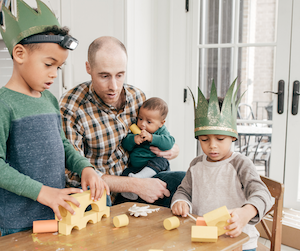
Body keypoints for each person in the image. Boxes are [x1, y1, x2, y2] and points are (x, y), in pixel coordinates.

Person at [0, 0, 108, 236]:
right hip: (16, 222)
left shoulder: (49, 100)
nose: (53, 74)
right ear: (19, 53)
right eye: (49, 64)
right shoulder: (3, 104)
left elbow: (62, 144)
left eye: (58, 67)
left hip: (56, 214)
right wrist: (43, 192)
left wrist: (85, 168)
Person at [59, 36, 185, 207]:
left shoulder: (137, 97)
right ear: (88, 68)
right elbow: (72, 174)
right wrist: (135, 185)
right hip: (100, 192)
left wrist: (172, 149)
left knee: (182, 181)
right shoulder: (71, 108)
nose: (114, 86)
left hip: (138, 175)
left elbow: (158, 131)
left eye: (120, 75)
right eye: (104, 76)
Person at [171, 80, 272, 251]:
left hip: (240, 242)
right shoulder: (196, 165)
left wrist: (245, 213)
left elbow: (263, 194)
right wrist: (180, 201)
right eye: (204, 139)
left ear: (233, 136)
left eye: (220, 139)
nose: (212, 146)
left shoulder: (240, 164)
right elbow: (184, 191)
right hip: (204, 240)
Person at [121, 97, 175, 200]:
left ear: (161, 123)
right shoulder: (136, 131)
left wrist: (151, 138)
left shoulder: (160, 131)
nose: (142, 124)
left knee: (162, 161)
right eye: (140, 119)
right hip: (136, 168)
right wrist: (133, 139)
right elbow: (125, 144)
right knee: (125, 174)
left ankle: (139, 178)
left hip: (154, 168)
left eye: (149, 122)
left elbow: (169, 143)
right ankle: (131, 192)